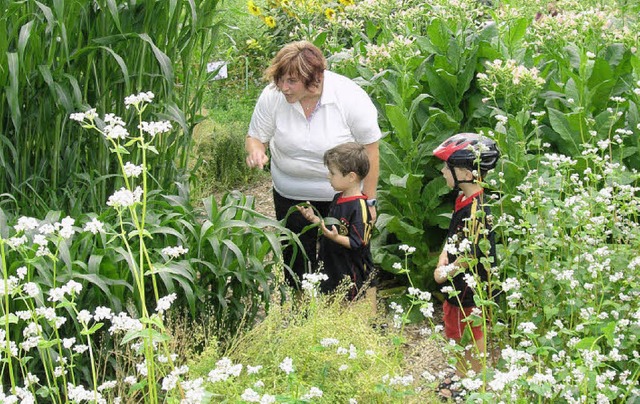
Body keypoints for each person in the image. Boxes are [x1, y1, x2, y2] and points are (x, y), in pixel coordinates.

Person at [245, 40, 382, 289]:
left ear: (315, 79)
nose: (283, 88)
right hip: (291, 194)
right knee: (296, 257)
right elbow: (256, 136)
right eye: (280, 80)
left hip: (342, 197)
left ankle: (350, 311)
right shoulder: (273, 97)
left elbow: (371, 150)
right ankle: (302, 312)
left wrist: (368, 201)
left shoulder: (348, 96)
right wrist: (256, 152)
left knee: (345, 258)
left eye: (292, 81)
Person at [432, 132, 500, 378]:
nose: (442, 172)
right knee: (455, 329)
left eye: (447, 167)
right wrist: (443, 255)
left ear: (466, 174)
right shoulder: (463, 199)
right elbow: (454, 235)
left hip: (471, 288)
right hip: (457, 282)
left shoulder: (477, 210)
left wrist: (444, 273)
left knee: (471, 333)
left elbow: (473, 255)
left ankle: (475, 380)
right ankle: (462, 375)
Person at [296, 142, 374, 299]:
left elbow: (359, 242)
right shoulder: (338, 197)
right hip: (332, 264)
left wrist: (336, 238)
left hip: (349, 271)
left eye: (332, 173)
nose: (328, 176)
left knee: (347, 305)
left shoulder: (359, 206)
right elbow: (332, 225)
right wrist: (315, 219)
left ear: (351, 177)